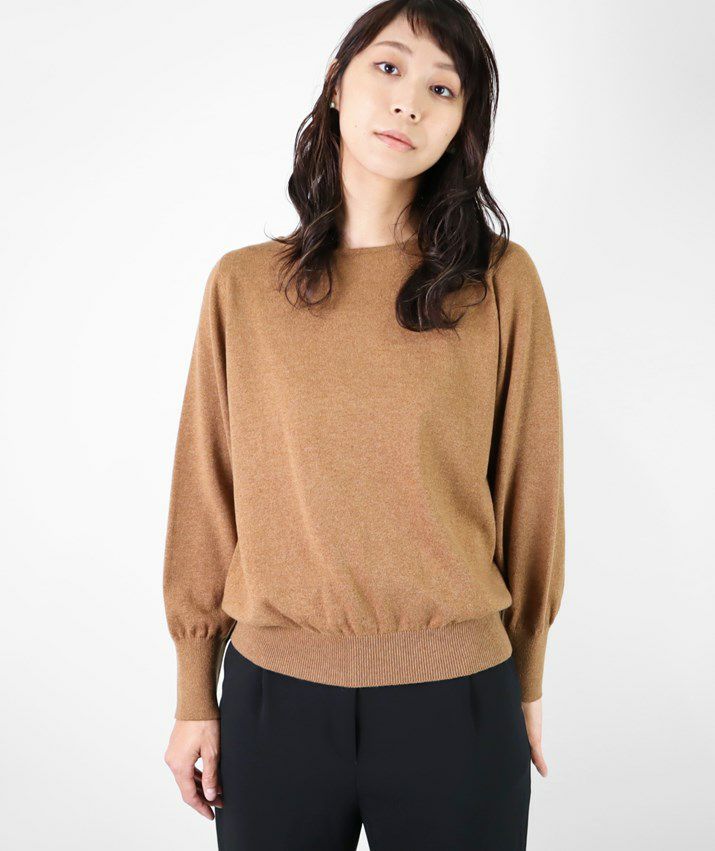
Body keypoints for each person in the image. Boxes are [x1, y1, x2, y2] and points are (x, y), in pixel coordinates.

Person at [162, 1, 565, 848]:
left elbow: (531, 489)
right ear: (337, 86)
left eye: (442, 88)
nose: (408, 101)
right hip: (271, 703)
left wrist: (526, 677)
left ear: (461, 124)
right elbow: (207, 490)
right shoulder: (244, 287)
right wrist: (195, 689)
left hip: (458, 701)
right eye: (387, 67)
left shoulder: (498, 282)